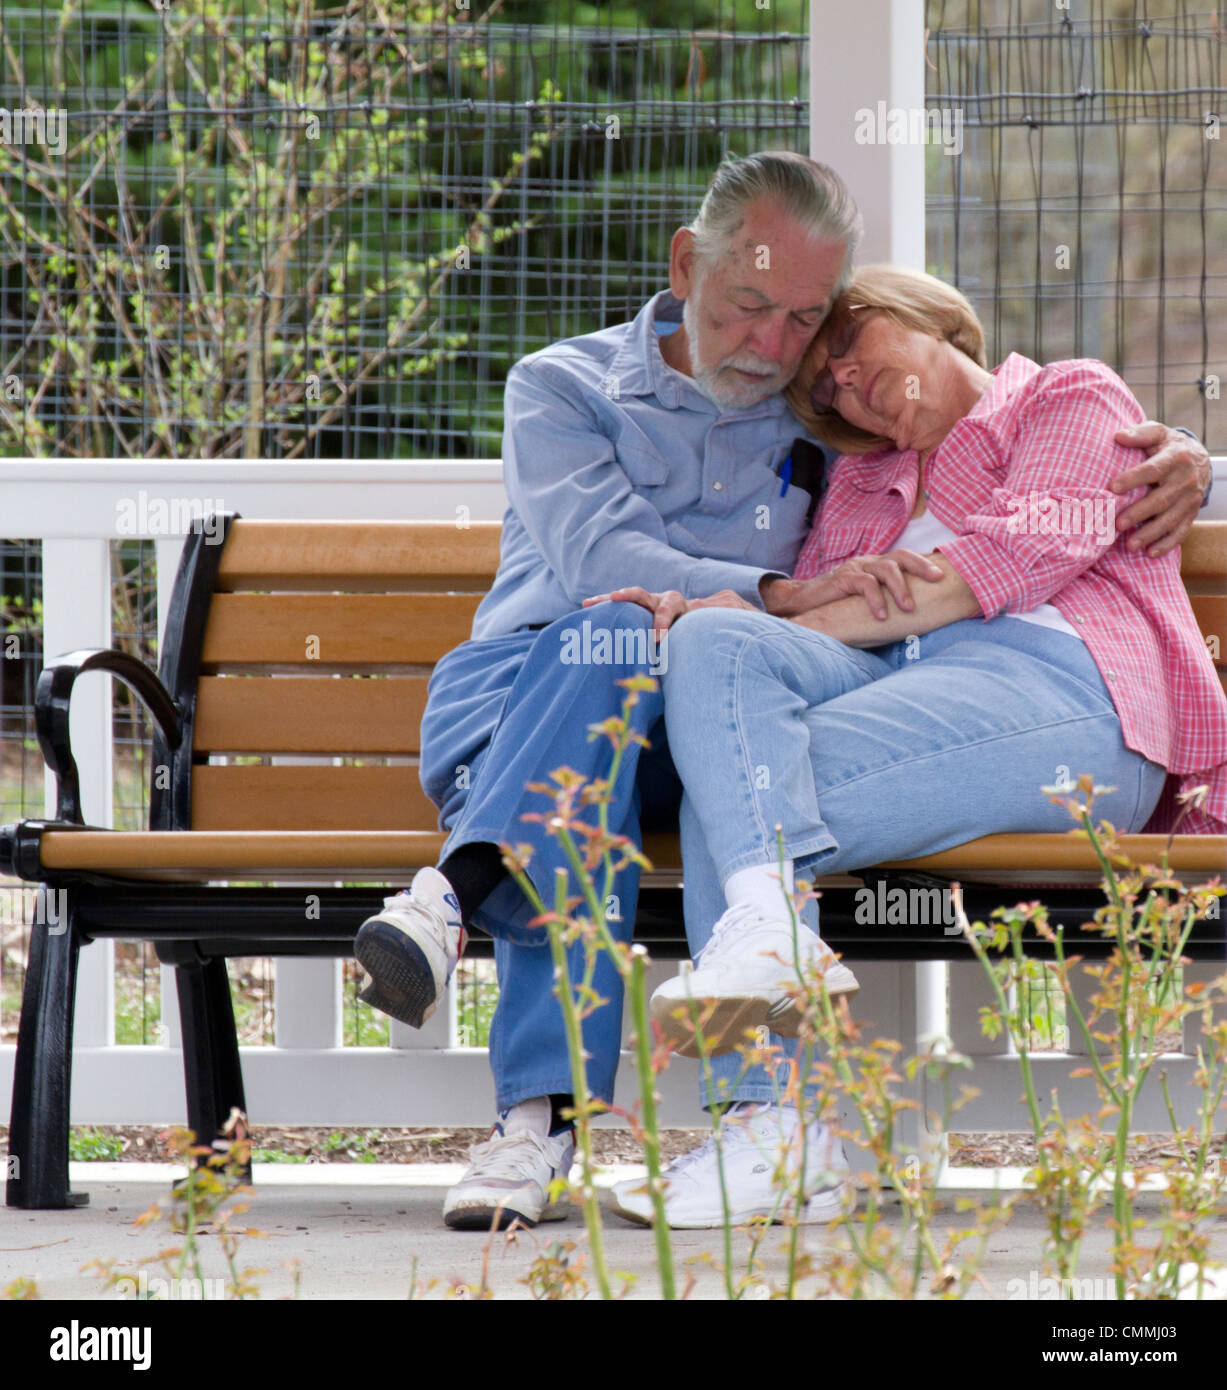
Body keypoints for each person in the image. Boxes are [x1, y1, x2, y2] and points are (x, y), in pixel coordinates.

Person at [351, 152, 1212, 1232]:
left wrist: (1196, 457)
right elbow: (612, 562)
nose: (785, 352)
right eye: (752, 306)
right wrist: (779, 593)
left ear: (924, 312)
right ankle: (567, 1121)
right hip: (540, 692)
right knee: (635, 642)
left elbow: (1010, 541)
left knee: (722, 731)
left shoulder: (938, 416)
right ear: (686, 266)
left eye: (817, 325)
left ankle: (466, 913)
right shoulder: (575, 391)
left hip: (958, 710)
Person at [594, 264, 1227, 1229]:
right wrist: (744, 615)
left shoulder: (1064, 394)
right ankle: (773, 954)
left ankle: (773, 1128)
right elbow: (796, 625)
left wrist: (850, 613)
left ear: (930, 316)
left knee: (732, 784)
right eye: (827, 388)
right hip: (913, 695)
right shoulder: (857, 481)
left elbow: (1011, 561)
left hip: (1068, 695)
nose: (845, 382)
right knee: (719, 655)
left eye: (851, 346)